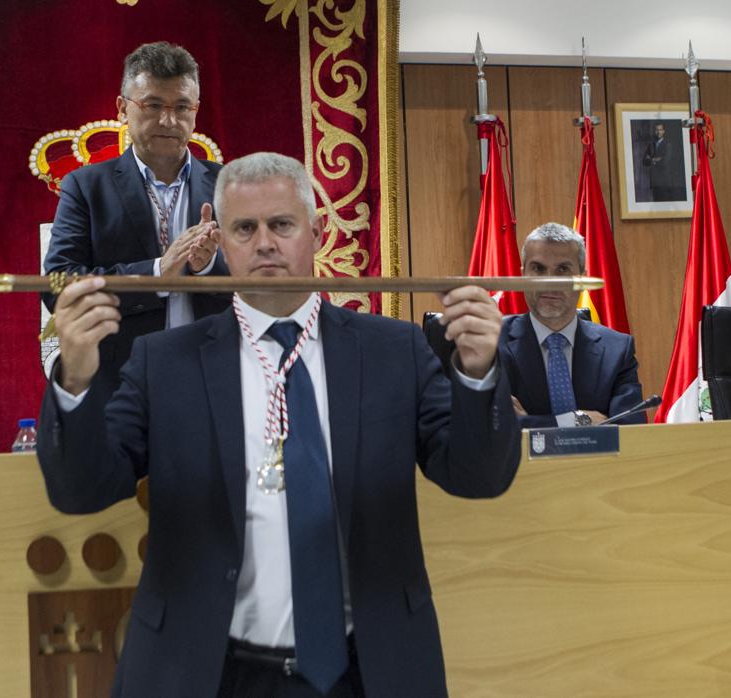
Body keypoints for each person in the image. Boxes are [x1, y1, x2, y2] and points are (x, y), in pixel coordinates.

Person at [37, 152, 521, 697]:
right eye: (245, 228)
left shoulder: (394, 351)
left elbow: (478, 477)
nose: (264, 243)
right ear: (220, 242)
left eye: (282, 225)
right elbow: (81, 491)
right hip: (207, 672)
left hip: (369, 671)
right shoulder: (164, 363)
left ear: (316, 231)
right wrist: (74, 381)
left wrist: (477, 374)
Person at [43, 41, 227, 396]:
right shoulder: (86, 186)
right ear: (122, 109)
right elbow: (58, 286)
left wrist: (207, 268)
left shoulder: (229, 184)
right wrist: (157, 272)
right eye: (153, 105)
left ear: (196, 110)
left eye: (182, 107)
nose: (168, 120)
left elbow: (259, 283)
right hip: (120, 381)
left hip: (213, 381)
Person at [500, 223, 644, 429]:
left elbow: (630, 431)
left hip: (598, 462)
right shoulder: (491, 344)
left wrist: (527, 422)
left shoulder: (617, 349)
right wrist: (575, 420)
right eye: (538, 269)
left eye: (563, 269)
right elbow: (490, 427)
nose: (549, 281)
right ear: (524, 275)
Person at [642, 122, 683, 201]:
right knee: (656, 203)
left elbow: (664, 162)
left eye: (660, 130)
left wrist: (651, 159)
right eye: (657, 130)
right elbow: (644, 161)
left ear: (664, 131)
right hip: (654, 182)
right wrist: (654, 159)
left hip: (665, 182)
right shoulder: (651, 145)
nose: (658, 132)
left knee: (665, 203)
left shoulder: (668, 144)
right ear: (655, 131)